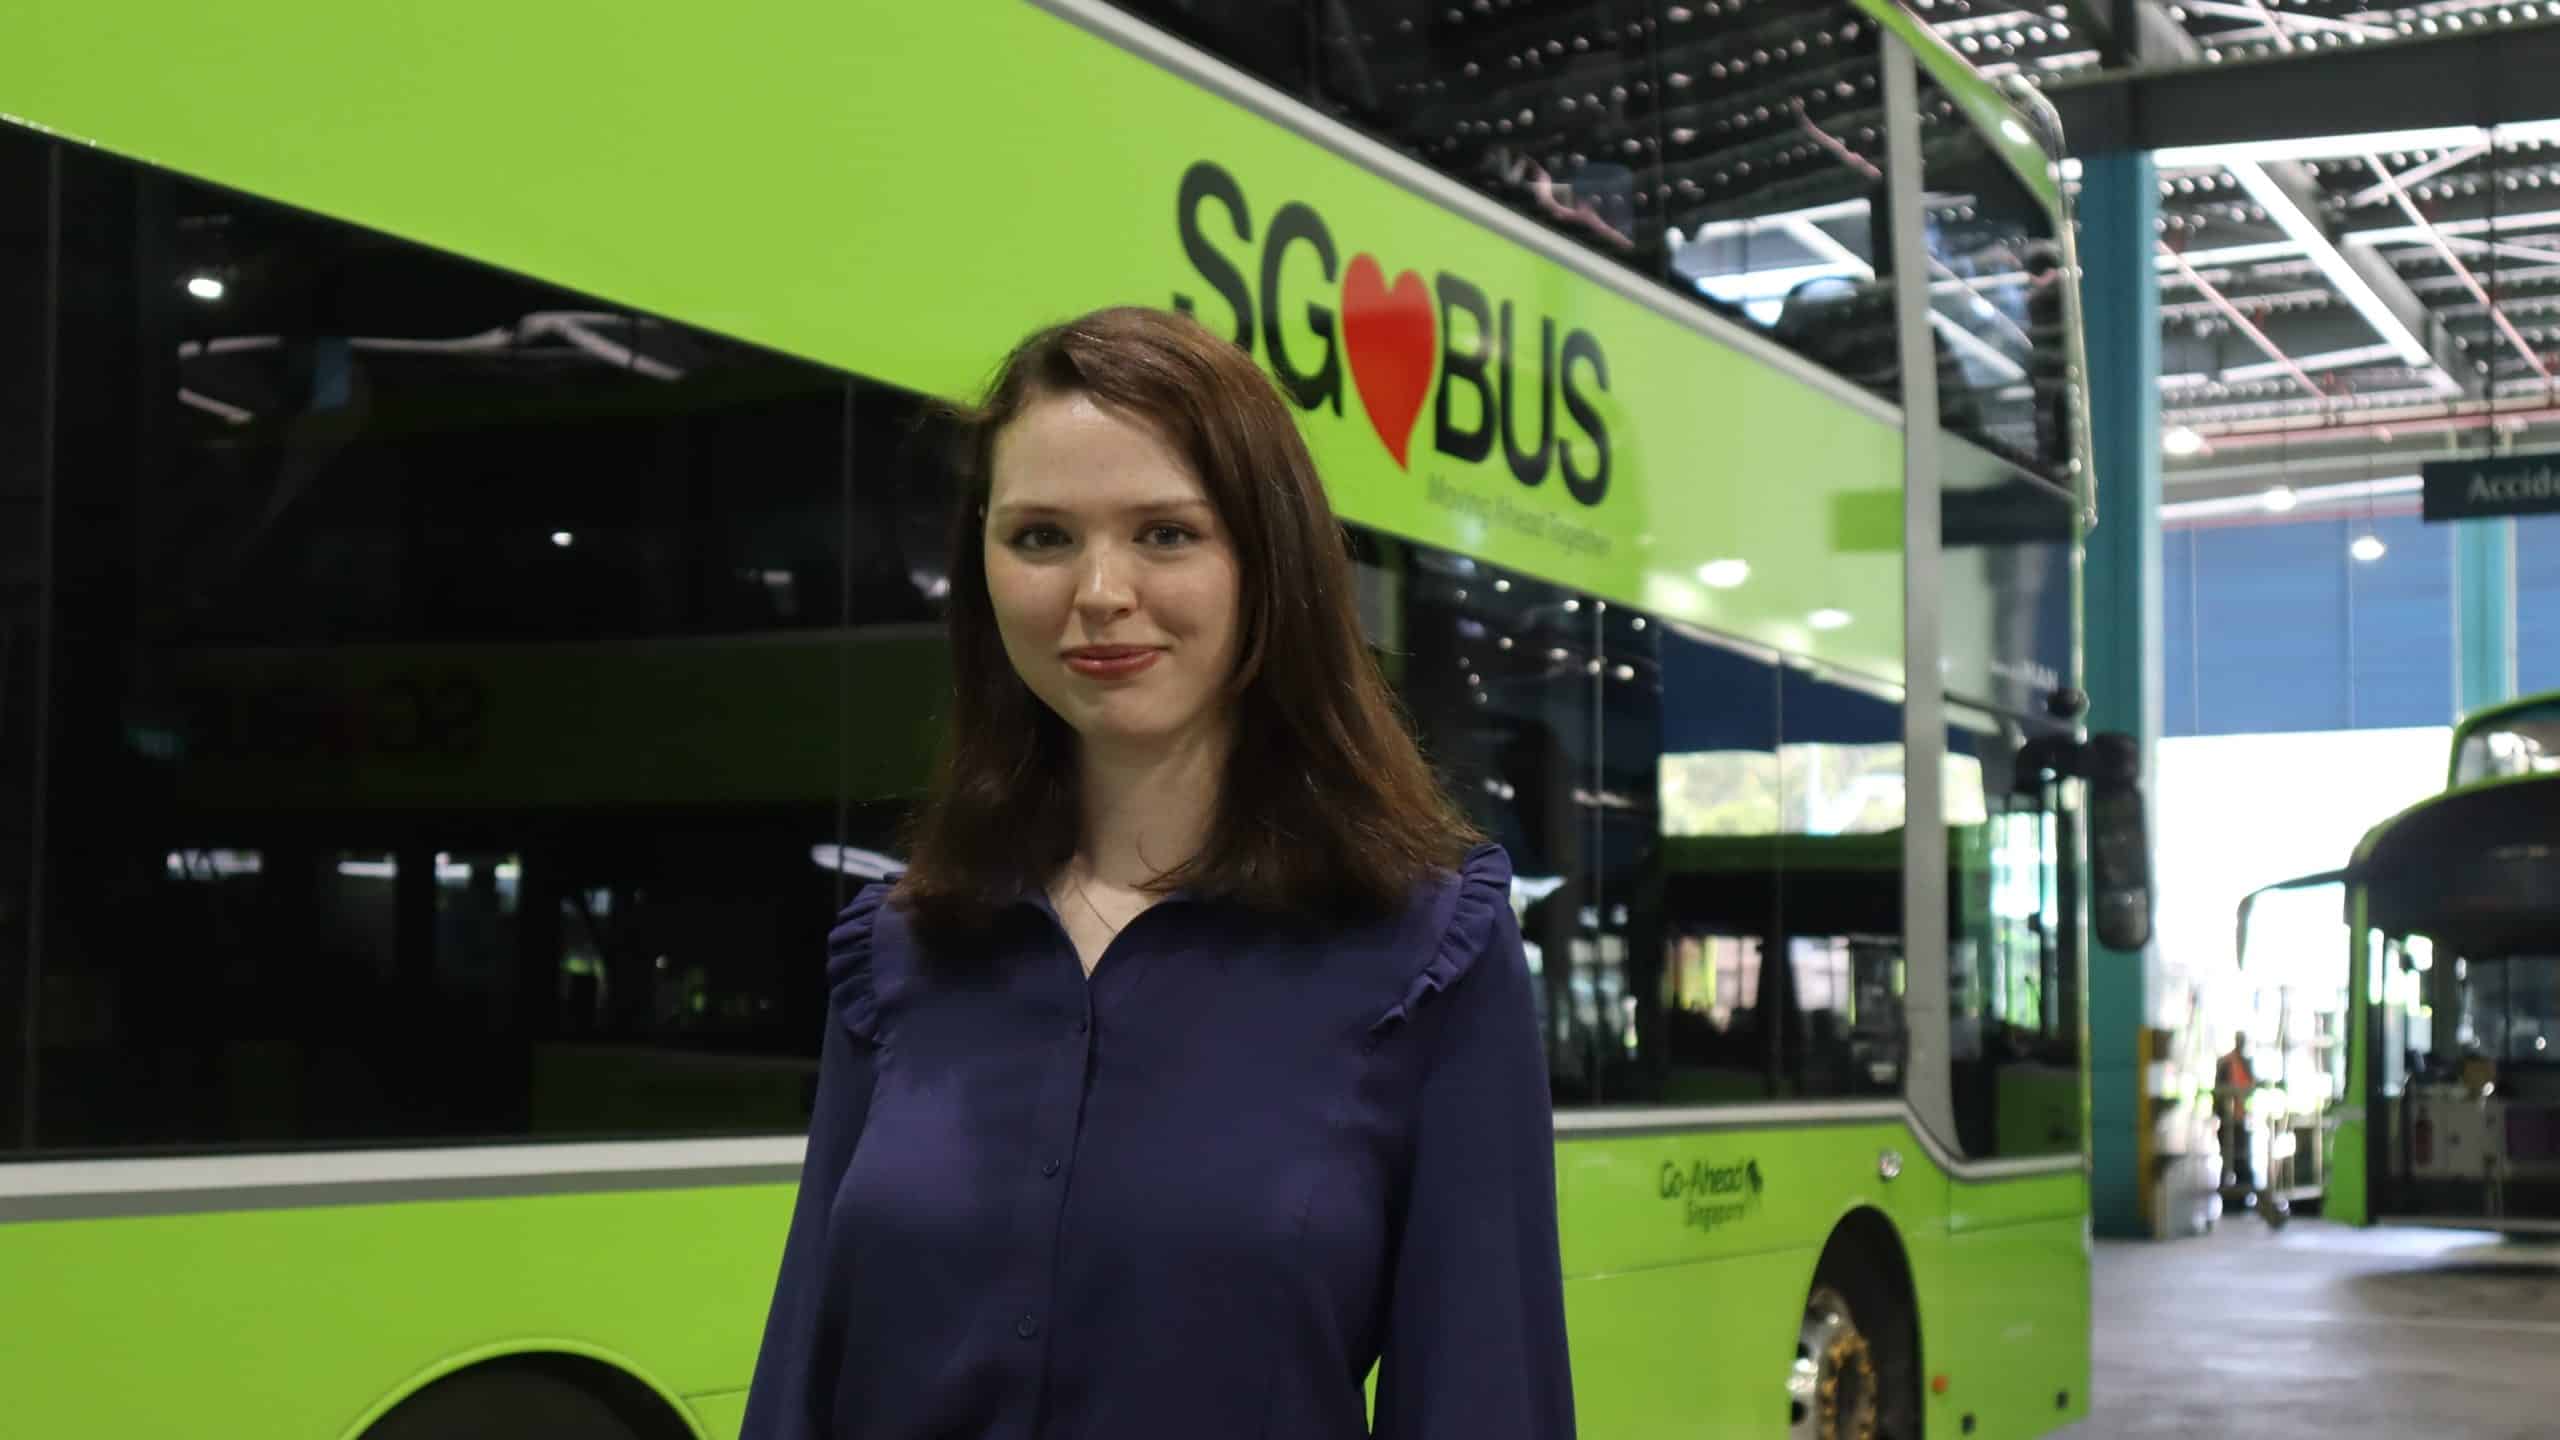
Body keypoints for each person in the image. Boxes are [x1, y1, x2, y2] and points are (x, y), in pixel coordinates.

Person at [738, 306, 1576, 1440]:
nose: (1097, 592)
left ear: (1269, 560)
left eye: (1166, 534)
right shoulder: (899, 949)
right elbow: (803, 1378)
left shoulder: (1429, 947)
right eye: (1041, 537)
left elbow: (1486, 1399)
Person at [2215, 1031, 2258, 1203]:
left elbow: (2250, 1087)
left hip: (2240, 1119)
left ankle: (2243, 1192)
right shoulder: (2226, 1062)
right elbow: (2219, 1091)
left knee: (2241, 1155)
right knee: (2229, 1156)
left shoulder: (2246, 1063)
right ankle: (2230, 1195)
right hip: (2228, 1120)